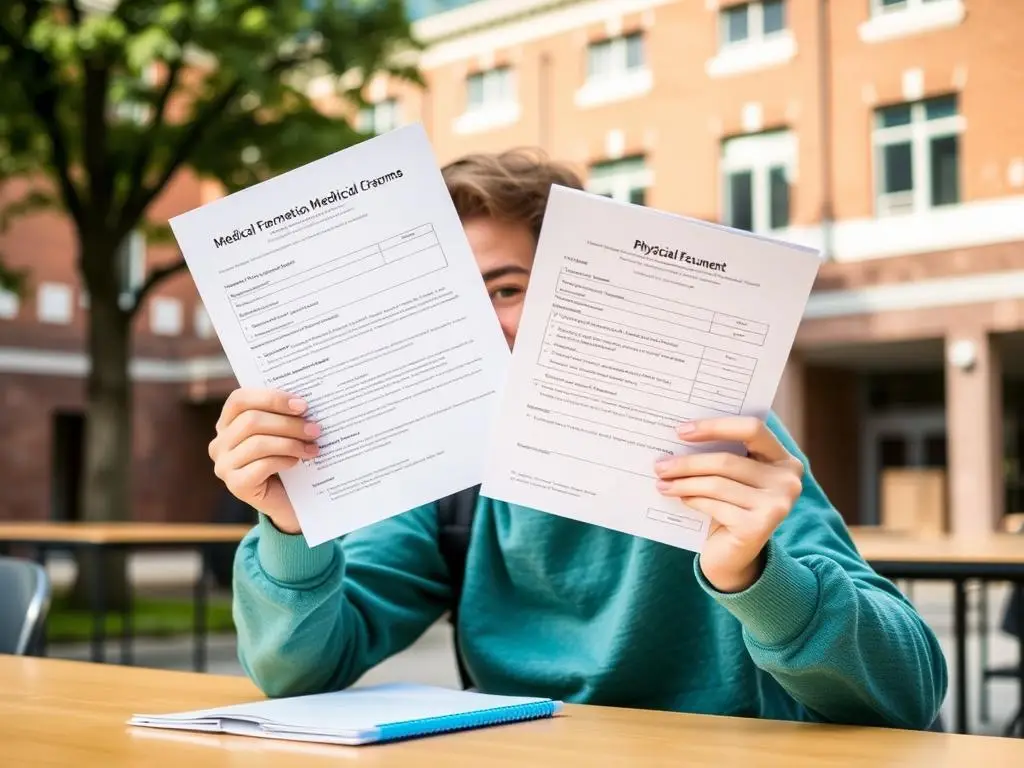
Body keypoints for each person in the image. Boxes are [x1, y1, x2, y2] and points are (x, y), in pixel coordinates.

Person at [208, 149, 947, 730]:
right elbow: (296, 674)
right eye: (446, 299)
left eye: (505, 289)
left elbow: (908, 692)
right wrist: (292, 528)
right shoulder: (447, 476)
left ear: (579, 289)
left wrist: (756, 576)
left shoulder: (715, 439)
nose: (478, 327)